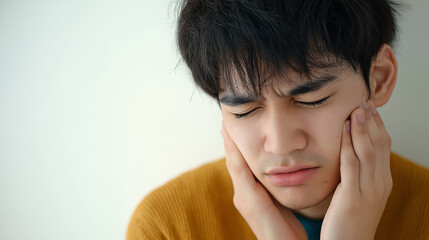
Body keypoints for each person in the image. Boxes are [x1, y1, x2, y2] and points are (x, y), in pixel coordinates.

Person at [127, 0, 429, 239]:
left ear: (378, 79)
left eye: (312, 100)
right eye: (243, 110)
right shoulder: (167, 227)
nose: (280, 144)